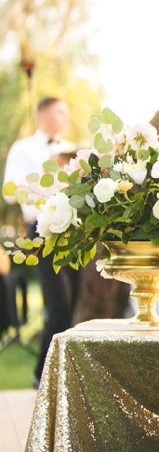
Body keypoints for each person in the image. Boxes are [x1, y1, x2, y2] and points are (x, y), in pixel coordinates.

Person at [2, 97, 77, 386]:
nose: (66, 118)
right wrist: (48, 175)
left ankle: (60, 379)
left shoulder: (72, 149)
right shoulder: (24, 149)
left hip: (73, 234)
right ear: (43, 115)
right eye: (61, 112)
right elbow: (10, 192)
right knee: (58, 304)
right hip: (42, 230)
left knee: (71, 306)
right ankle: (40, 376)